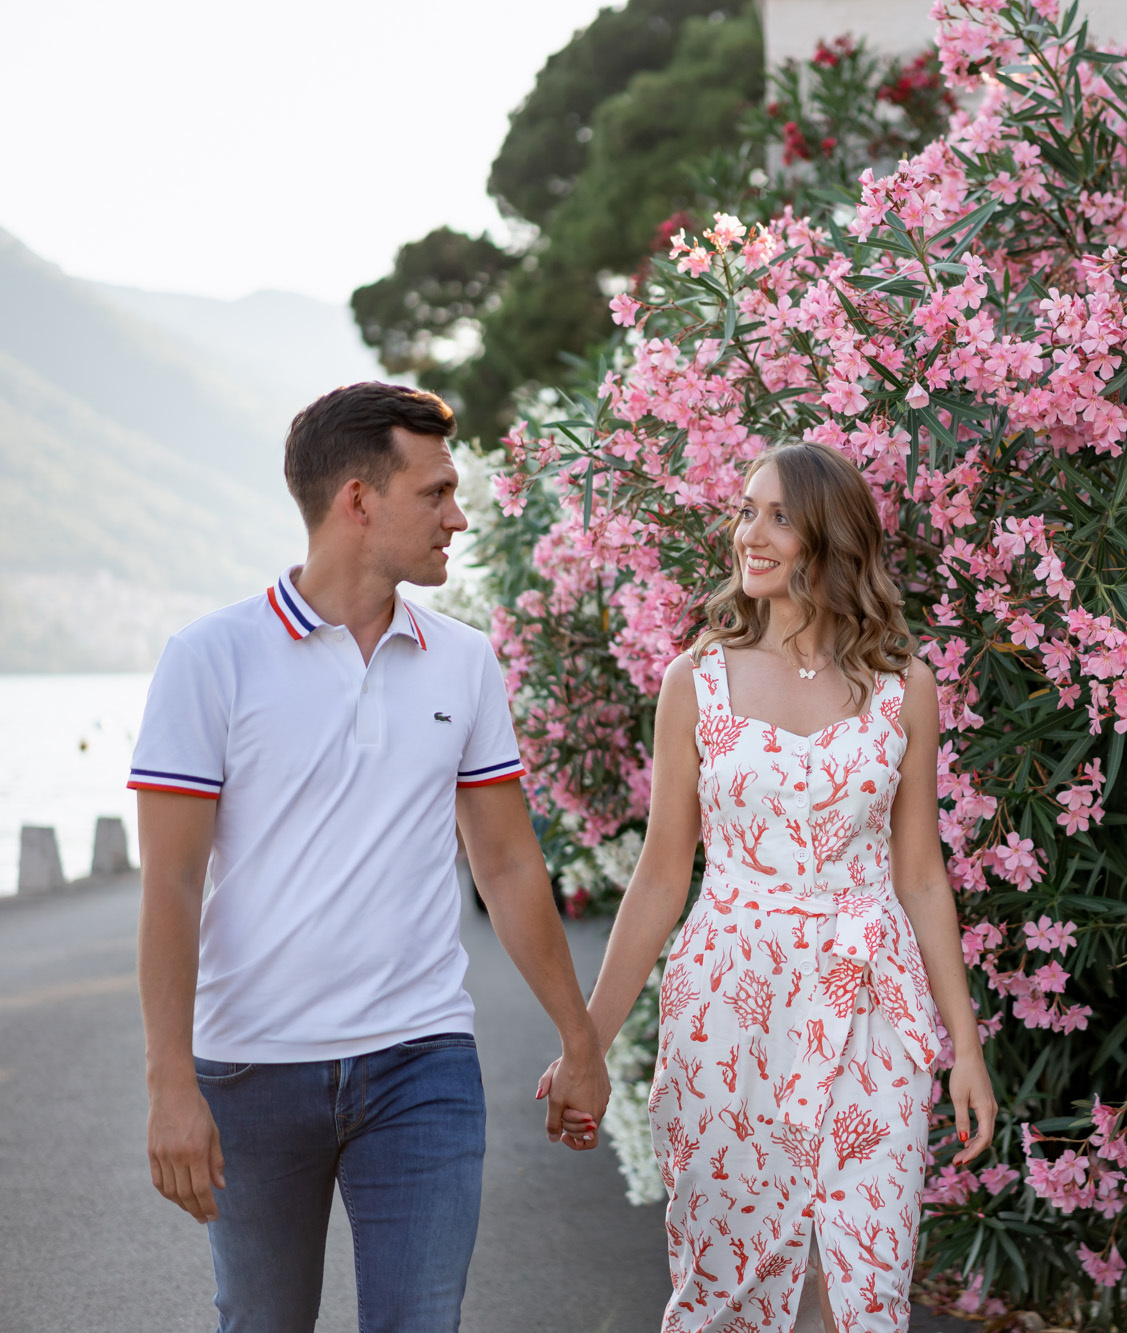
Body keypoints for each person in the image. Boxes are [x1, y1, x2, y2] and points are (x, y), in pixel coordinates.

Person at [133, 382, 611, 1332]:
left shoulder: (464, 661)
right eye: (435, 492)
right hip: (249, 1070)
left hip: (421, 1061)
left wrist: (580, 1040)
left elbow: (510, 865)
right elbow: (172, 885)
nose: (458, 516)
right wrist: (169, 1085)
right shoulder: (209, 658)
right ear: (359, 499)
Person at [538, 441, 998, 1332]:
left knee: (868, 1278)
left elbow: (921, 873)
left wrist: (966, 1047)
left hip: (871, 998)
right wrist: (587, 1041)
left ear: (831, 538)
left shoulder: (905, 687)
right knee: (731, 1281)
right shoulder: (694, 683)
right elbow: (663, 874)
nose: (752, 532)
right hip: (732, 1003)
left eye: (779, 515)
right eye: (747, 510)